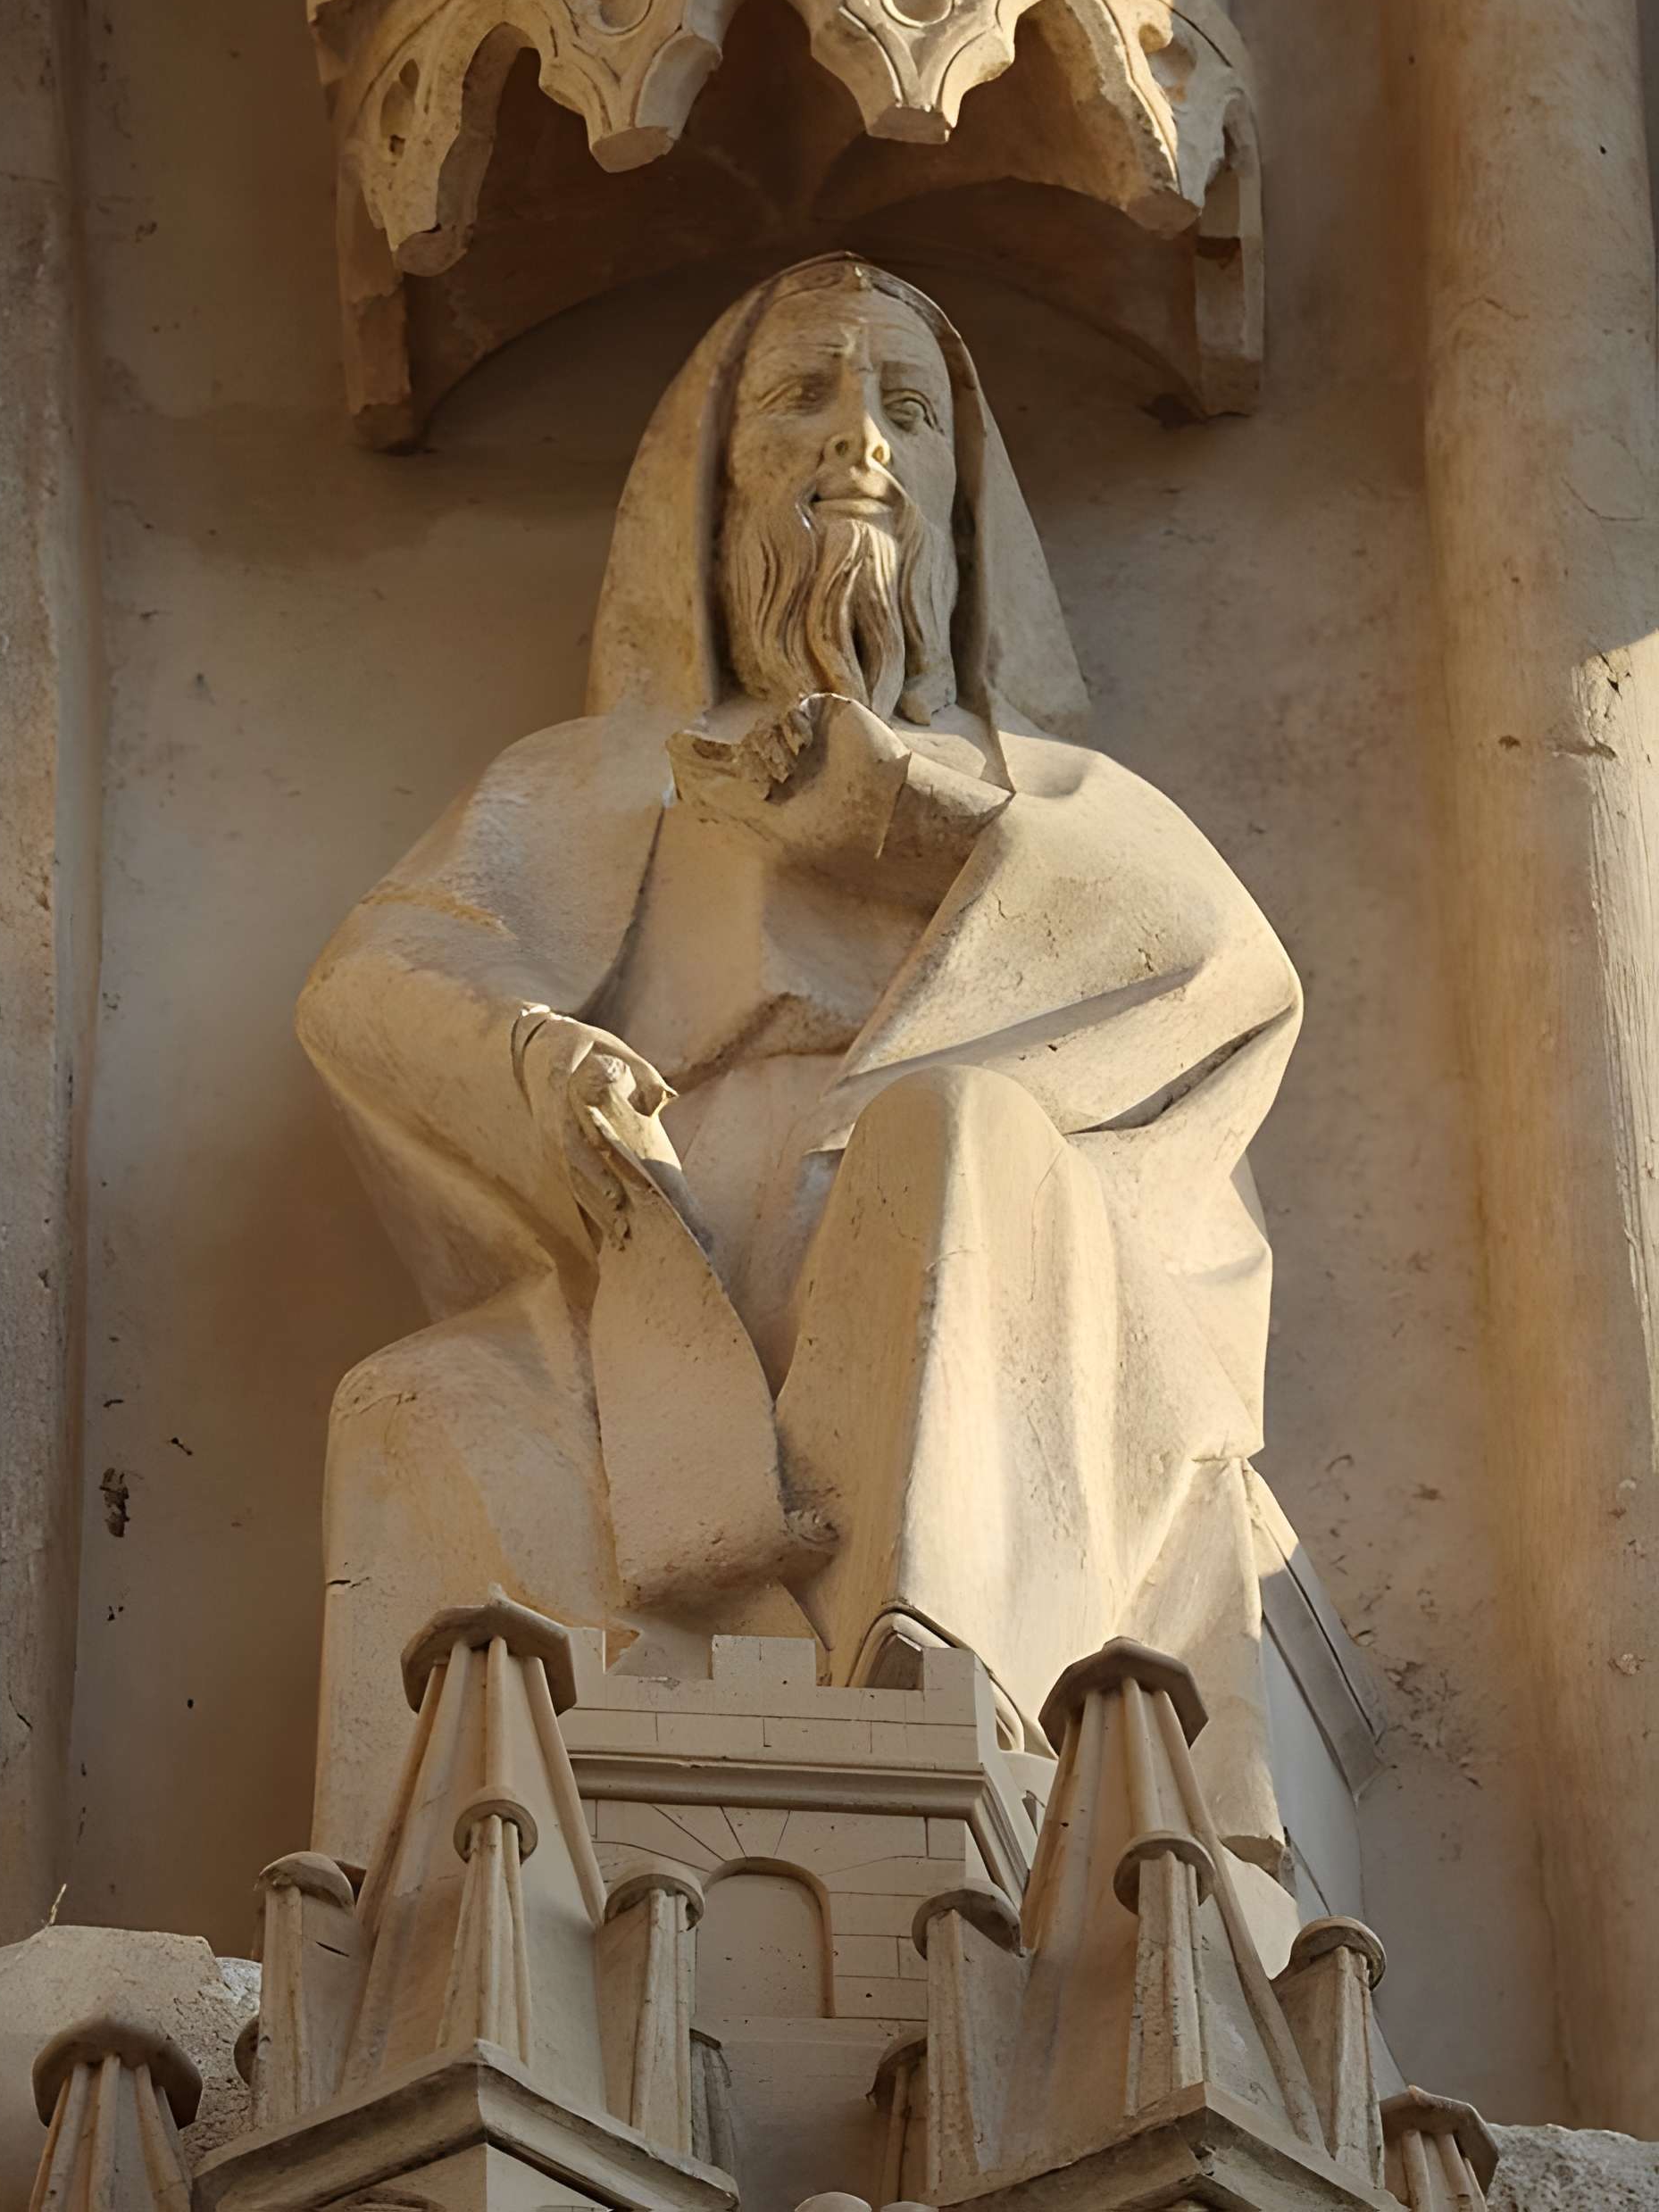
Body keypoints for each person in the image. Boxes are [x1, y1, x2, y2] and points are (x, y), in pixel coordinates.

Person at [299, 256, 1301, 1859]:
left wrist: (903, 824)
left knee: (949, 1133)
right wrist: (541, 1060)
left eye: (907, 409)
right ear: (712, 492)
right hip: (665, 1281)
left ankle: (938, 1694)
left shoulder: (1039, 789)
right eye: (805, 399)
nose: (862, 445)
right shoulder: (597, 781)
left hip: (970, 1252)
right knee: (413, 1401)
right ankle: (439, 1925)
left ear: (967, 506)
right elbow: (384, 978)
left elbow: (1212, 971)